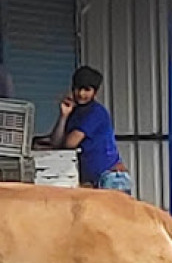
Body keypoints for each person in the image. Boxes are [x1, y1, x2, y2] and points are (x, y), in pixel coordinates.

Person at [50, 65, 132, 194]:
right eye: (78, 89)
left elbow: (69, 143)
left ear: (95, 92)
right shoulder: (74, 113)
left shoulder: (95, 112)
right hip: (90, 182)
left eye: (86, 90)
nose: (81, 94)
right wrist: (63, 116)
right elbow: (55, 142)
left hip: (109, 179)